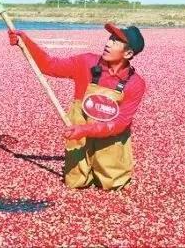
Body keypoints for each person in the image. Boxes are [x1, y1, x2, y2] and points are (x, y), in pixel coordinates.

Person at [8, 23, 146, 190]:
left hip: (110, 136)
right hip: (80, 135)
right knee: (75, 182)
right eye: (110, 38)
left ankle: (108, 169)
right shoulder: (86, 62)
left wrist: (86, 130)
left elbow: (120, 123)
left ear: (129, 53)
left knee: (113, 183)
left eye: (116, 41)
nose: (108, 43)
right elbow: (49, 65)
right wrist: (25, 42)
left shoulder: (135, 83)